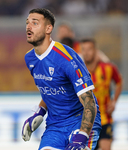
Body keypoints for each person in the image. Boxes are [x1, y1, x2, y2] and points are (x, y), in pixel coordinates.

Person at [22, 8, 102, 150]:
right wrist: (40, 112)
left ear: (48, 28)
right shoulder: (30, 58)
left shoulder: (67, 58)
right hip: (55, 125)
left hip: (81, 120)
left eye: (35, 23)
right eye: (27, 22)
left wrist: (82, 136)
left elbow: (89, 101)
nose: (28, 26)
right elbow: (50, 89)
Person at [80, 38, 123, 150]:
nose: (86, 53)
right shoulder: (78, 71)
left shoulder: (108, 68)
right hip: (85, 121)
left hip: (105, 119)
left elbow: (119, 82)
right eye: (83, 49)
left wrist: (114, 102)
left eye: (89, 49)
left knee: (105, 147)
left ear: (95, 51)